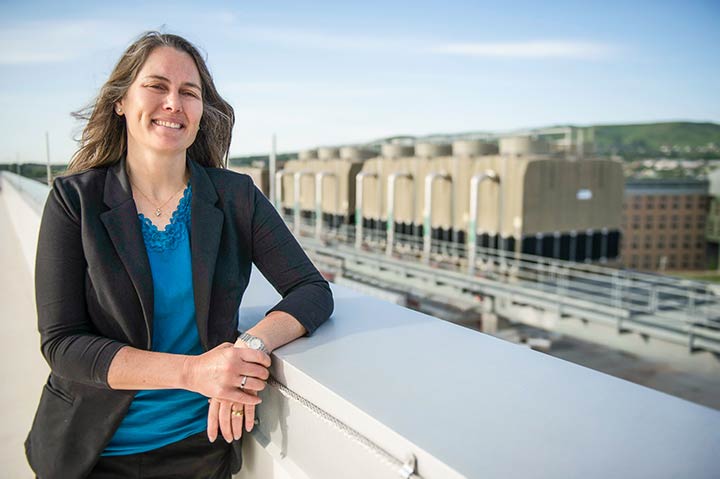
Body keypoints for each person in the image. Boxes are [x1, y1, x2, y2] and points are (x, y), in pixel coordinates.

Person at [26, 31, 334, 479]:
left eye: (189, 92)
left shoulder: (235, 197)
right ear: (121, 102)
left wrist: (245, 350)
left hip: (199, 446)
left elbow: (310, 290)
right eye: (156, 86)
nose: (174, 102)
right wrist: (194, 373)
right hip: (89, 451)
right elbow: (63, 344)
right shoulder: (75, 201)